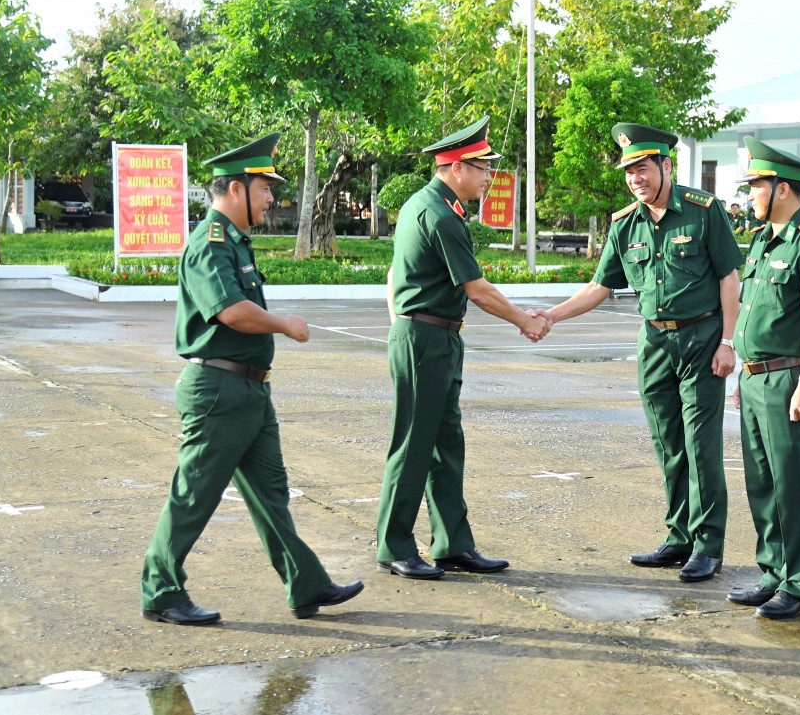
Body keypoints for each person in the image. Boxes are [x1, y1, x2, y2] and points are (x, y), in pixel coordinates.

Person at [140, 134, 363, 625]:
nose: (271, 198)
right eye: (265, 188)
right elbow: (230, 312)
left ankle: (305, 583)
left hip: (250, 390)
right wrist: (283, 323)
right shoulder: (209, 243)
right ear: (237, 189)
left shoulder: (236, 243)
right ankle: (161, 590)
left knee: (271, 494)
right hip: (218, 391)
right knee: (194, 494)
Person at [540, 123, 744, 583]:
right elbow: (600, 287)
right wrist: (552, 315)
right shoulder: (624, 222)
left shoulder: (703, 212)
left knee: (701, 445)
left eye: (644, 169)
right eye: (629, 171)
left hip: (703, 338)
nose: (636, 179)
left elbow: (729, 279)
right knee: (668, 442)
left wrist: (729, 342)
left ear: (665, 166)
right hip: (653, 342)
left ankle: (708, 544)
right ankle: (679, 537)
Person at [377, 117, 549, 581]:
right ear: (456, 167)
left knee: (445, 444)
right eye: (482, 168)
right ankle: (394, 545)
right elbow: (477, 288)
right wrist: (525, 320)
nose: (488, 177)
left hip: (435, 337)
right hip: (425, 340)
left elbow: (395, 276)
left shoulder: (427, 205)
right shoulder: (439, 214)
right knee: (414, 446)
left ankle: (452, 544)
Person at [724, 137, 800, 620]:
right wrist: (741, 377)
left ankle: (799, 581)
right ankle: (773, 572)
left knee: (792, 483)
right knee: (762, 482)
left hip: (788, 379)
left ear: (784, 190)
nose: (751, 195)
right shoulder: (762, 241)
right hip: (754, 380)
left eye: (757, 186)